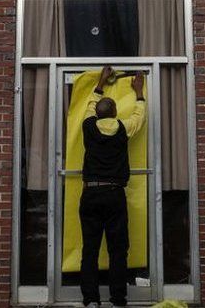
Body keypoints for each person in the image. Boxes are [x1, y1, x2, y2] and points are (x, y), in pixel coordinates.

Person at [79, 65, 146, 308]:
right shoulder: (123, 128)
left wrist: (100, 83)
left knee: (90, 249)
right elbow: (139, 117)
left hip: (91, 194)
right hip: (114, 194)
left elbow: (89, 105)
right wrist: (138, 92)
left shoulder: (88, 126)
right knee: (118, 250)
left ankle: (91, 300)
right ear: (115, 112)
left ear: (97, 114)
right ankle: (118, 299)